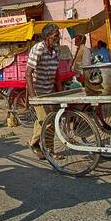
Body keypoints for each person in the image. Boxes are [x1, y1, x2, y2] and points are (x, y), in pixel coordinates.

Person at [26, 23, 62, 160]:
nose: (57, 39)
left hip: (49, 89)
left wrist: (60, 93)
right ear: (46, 37)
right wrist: (33, 97)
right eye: (55, 36)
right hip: (38, 90)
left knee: (49, 119)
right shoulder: (38, 49)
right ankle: (45, 148)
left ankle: (38, 144)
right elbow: (28, 74)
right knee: (45, 120)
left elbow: (57, 71)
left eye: (58, 36)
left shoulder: (57, 49)